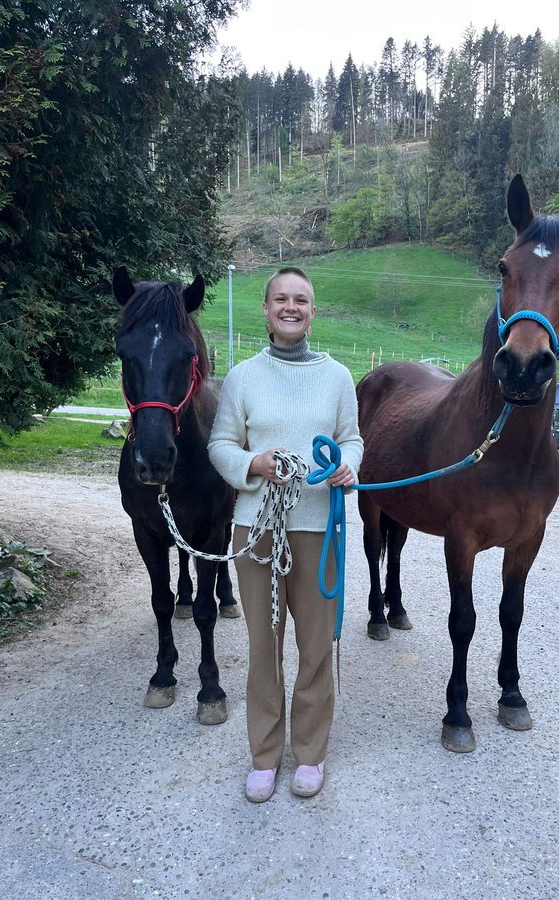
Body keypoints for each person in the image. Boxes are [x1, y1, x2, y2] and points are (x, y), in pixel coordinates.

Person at [208, 267, 363, 802]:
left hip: (318, 528)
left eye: (301, 300)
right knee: (262, 644)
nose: (290, 307)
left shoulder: (337, 377)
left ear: (313, 311)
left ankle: (311, 752)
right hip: (257, 529)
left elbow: (352, 440)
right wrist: (256, 462)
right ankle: (265, 754)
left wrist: (346, 466)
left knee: (316, 645)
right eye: (281, 299)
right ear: (267, 309)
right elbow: (221, 445)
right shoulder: (243, 378)